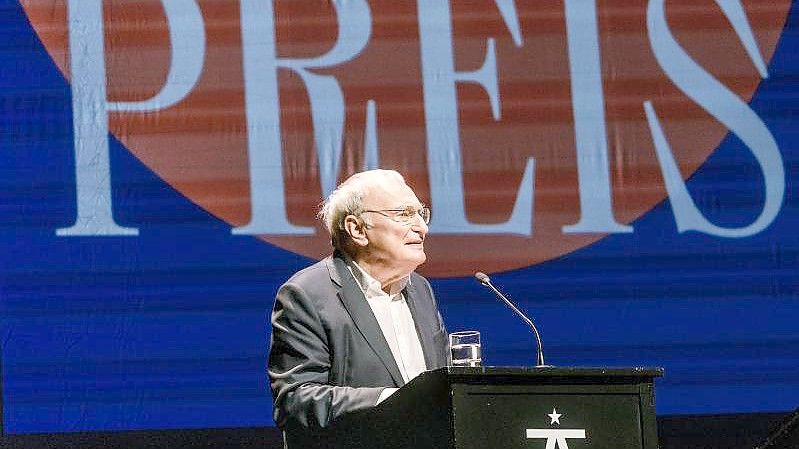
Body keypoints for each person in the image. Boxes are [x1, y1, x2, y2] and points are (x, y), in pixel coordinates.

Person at [267, 169, 449, 442]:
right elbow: (296, 400)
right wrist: (394, 400)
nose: (422, 227)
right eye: (403, 214)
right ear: (357, 229)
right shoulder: (307, 294)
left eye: (421, 214)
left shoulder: (421, 290)